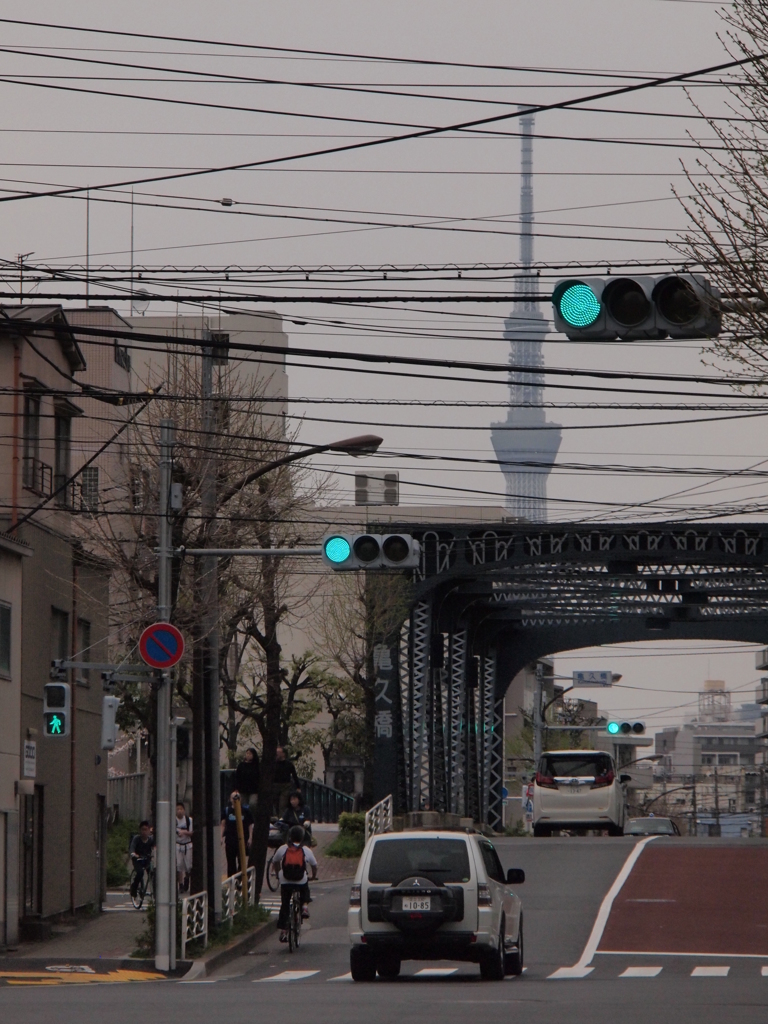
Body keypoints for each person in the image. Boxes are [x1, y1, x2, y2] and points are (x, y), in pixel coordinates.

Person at [273, 825, 317, 942]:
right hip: (300, 880)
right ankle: (304, 907)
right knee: (305, 887)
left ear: (290, 837)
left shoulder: (283, 848)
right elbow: (314, 865)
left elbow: (275, 861)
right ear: (302, 837)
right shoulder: (306, 850)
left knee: (285, 904)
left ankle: (283, 931)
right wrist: (313, 876)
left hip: (285, 881)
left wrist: (278, 874)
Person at [221, 789, 254, 878]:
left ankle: (240, 881)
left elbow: (250, 825)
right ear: (230, 799)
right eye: (233, 797)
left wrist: (250, 837)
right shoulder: (227, 810)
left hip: (242, 840)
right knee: (230, 863)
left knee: (241, 861)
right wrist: (220, 837)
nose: (235, 799)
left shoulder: (246, 811)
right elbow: (223, 824)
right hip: (230, 840)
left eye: (237, 797)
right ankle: (232, 882)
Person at [129, 820, 155, 897]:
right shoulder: (136, 839)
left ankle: (155, 892)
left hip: (147, 859)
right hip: (138, 859)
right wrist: (133, 854)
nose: (144, 832)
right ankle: (134, 888)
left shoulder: (151, 840)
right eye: (142, 829)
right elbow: (132, 848)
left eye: (146, 829)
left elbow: (154, 848)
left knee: (153, 873)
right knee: (140, 872)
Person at [272, 746, 300, 817]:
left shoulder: (289, 764)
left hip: (285, 786)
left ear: (283, 754)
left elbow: (294, 776)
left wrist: (298, 787)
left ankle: (282, 820)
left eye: (278, 752)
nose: (277, 754)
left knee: (283, 804)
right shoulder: (273, 764)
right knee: (275, 803)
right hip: (275, 785)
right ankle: (277, 817)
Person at [233, 747, 260, 817]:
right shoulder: (241, 765)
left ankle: (253, 817)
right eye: (247, 753)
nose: (248, 755)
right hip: (243, 789)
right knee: (243, 805)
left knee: (252, 804)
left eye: (250, 754)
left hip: (254, 790)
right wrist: (236, 787)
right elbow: (237, 777)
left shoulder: (257, 766)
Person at [175, 802, 193, 893]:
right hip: (177, 845)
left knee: (188, 865)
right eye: (177, 809)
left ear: (184, 810)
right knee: (178, 865)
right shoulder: (173, 820)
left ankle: (187, 879)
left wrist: (184, 832)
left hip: (187, 845)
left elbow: (191, 832)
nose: (179, 811)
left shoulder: (188, 820)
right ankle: (180, 884)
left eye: (181, 809)